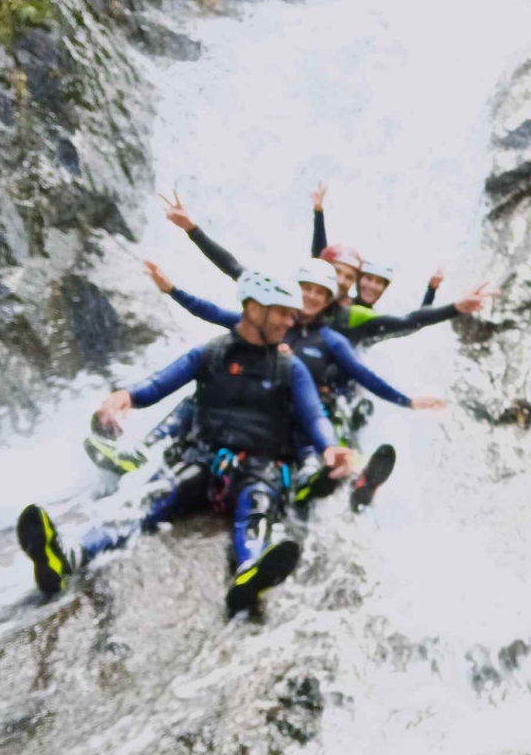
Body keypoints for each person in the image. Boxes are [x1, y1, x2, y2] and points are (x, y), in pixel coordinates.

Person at [20, 266, 354, 616]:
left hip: (260, 468)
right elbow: (159, 383)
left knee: (256, 507)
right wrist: (123, 397)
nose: (290, 322)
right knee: (148, 501)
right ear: (255, 309)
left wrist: (329, 447)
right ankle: (67, 556)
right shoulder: (211, 353)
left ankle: (250, 574)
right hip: (202, 460)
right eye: (283, 313)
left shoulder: (291, 367)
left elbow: (314, 416)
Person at [141, 257, 447, 509]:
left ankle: (336, 479)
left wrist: (406, 400)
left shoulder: (331, 337)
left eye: (319, 293)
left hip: (305, 409)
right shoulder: (267, 321)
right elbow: (215, 310)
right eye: (306, 290)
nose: (310, 298)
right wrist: (172, 290)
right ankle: (145, 450)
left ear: (328, 300)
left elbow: (363, 373)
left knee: (320, 426)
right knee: (202, 401)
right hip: (267, 408)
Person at [159, 190, 497, 344]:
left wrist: (451, 304)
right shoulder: (288, 294)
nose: (340, 281)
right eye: (335, 274)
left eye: (348, 278)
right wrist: (192, 229)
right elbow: (235, 268)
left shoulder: (352, 316)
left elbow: (408, 322)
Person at [306, 182, 443, 307]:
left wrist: (431, 289)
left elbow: (411, 323)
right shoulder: (310, 298)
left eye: (348, 277)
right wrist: (318, 211)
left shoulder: (355, 311)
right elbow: (320, 260)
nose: (341, 281)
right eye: (369, 279)